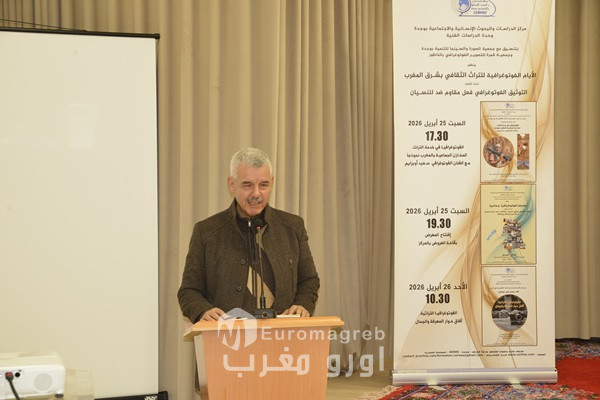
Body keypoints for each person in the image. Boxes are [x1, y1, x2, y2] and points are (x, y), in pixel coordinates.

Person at [178, 147, 320, 322]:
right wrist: (203, 311)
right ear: (232, 184)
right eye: (247, 185)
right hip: (226, 335)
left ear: (272, 183)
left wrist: (302, 304)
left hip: (282, 334)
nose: (256, 193)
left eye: (264, 185)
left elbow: (309, 280)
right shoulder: (206, 231)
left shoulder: (292, 227)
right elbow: (189, 291)